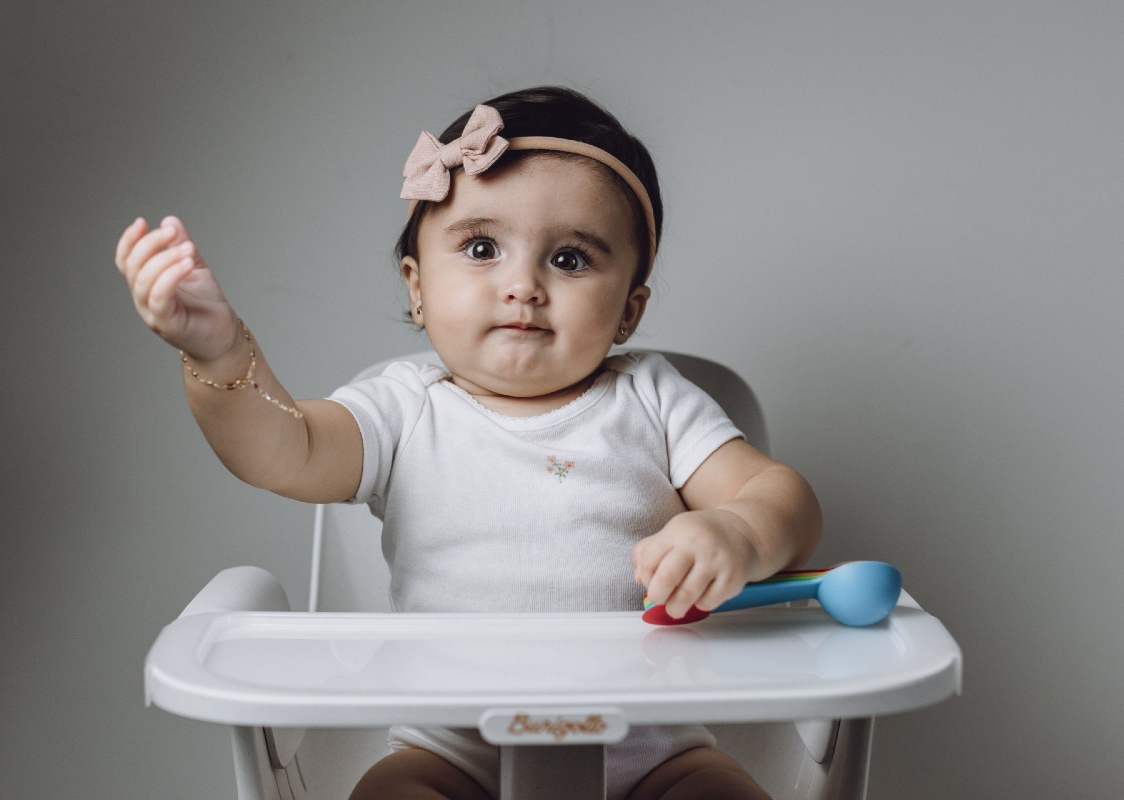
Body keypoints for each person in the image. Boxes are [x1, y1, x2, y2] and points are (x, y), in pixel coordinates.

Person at [116, 86, 821, 800]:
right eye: (482, 248)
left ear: (630, 309)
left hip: (655, 745)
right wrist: (219, 357)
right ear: (417, 286)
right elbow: (284, 449)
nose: (523, 285)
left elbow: (781, 496)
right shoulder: (403, 408)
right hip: (449, 748)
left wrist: (738, 531)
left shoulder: (651, 397)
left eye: (571, 259)